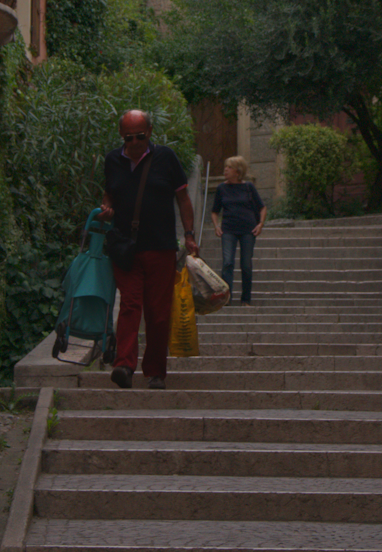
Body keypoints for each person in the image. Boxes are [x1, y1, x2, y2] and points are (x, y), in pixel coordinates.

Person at [100, 110, 198, 389]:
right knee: (130, 305)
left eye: (140, 136)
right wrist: (106, 208)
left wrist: (189, 235)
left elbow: (183, 198)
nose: (134, 143)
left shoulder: (166, 157)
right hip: (125, 248)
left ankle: (155, 370)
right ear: (122, 136)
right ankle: (124, 366)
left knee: (157, 311)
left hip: (160, 247)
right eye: (128, 137)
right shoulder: (112, 160)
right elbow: (110, 193)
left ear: (150, 132)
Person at [211, 156, 266, 305]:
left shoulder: (248, 187)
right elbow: (215, 211)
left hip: (248, 230)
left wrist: (260, 224)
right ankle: (227, 298)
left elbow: (262, 207)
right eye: (225, 167)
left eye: (229, 167)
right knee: (228, 263)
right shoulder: (222, 188)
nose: (225, 170)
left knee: (246, 264)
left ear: (237, 171)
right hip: (228, 229)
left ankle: (246, 299)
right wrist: (216, 225)